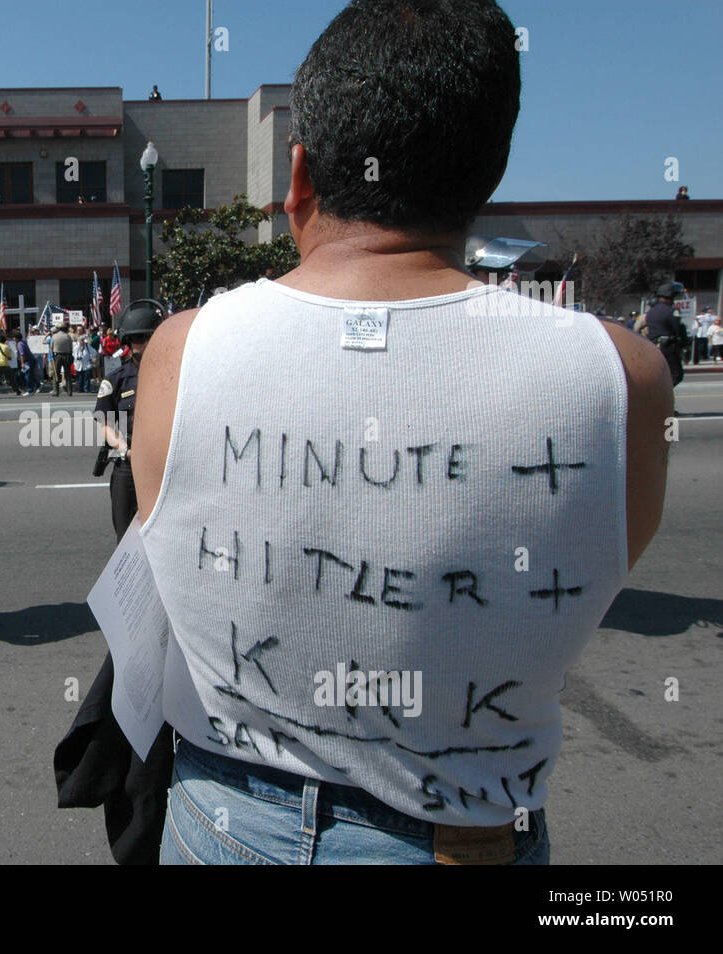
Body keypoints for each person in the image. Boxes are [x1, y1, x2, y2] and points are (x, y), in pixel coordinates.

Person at [127, 0, 672, 865]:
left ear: (298, 177)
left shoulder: (180, 353)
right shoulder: (624, 379)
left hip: (224, 819)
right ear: (486, 180)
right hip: (461, 835)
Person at [95, 300, 165, 539]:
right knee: (126, 536)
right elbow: (105, 424)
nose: (144, 346)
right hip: (128, 464)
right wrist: (125, 451)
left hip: (162, 466)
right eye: (138, 340)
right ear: (127, 342)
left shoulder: (174, 375)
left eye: (149, 339)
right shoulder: (116, 380)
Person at [643, 282, 688, 389]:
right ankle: (663, 394)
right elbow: (677, 329)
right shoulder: (672, 311)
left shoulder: (651, 312)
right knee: (676, 374)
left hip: (653, 346)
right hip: (667, 347)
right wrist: (684, 344)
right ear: (671, 296)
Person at [50, 319, 74, 396]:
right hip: (67, 355)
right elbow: (71, 348)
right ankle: (69, 391)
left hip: (58, 356)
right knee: (68, 374)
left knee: (56, 374)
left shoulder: (54, 336)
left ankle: (56, 391)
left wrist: (53, 356)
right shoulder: (68, 336)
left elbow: (51, 347)